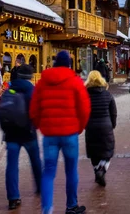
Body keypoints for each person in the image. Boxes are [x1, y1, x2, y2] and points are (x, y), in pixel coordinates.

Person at [30, 50, 91, 214]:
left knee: (48, 172)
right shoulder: (75, 81)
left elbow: (34, 109)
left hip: (49, 134)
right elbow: (85, 108)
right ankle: (71, 205)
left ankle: (47, 208)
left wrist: (40, 125)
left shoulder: (42, 82)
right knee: (71, 170)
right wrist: (80, 127)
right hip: (70, 133)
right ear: (69, 65)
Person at [2, 65, 42, 210]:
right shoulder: (32, 90)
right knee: (35, 160)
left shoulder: (9, 89)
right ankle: (40, 187)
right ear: (30, 76)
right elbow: (37, 111)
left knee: (12, 165)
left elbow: (4, 111)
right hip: (28, 132)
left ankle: (13, 198)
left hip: (11, 134)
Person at [84, 71, 117, 187]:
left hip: (91, 127)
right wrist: (112, 125)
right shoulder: (107, 94)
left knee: (94, 153)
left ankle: (97, 171)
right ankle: (101, 170)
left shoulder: (85, 95)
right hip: (105, 126)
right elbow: (113, 112)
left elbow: (83, 112)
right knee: (107, 152)